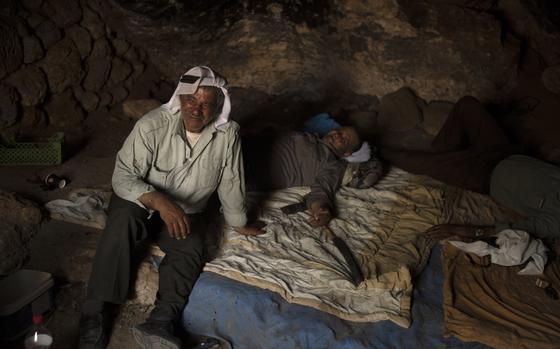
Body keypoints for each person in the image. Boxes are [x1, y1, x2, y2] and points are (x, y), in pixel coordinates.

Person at [78, 66, 262, 349]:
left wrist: (238, 221)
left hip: (187, 211)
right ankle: (95, 312)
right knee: (122, 221)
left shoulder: (228, 135)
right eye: (191, 100)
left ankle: (161, 321)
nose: (196, 109)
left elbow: (231, 181)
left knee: (193, 246)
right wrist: (159, 201)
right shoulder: (152, 125)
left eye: (206, 104)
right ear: (180, 97)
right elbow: (123, 176)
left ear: (217, 108)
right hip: (141, 203)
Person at [380, 96, 560, 251]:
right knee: (468, 105)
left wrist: (459, 229)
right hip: (504, 152)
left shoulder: (555, 222)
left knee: (421, 163)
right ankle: (444, 157)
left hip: (484, 175)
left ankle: (373, 150)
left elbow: (513, 229)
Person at [242, 126, 383, 227]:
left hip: (244, 171)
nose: (337, 135)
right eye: (339, 131)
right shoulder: (311, 136)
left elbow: (321, 191)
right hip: (241, 145)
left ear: (347, 154)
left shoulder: (332, 164)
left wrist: (320, 210)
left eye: (344, 140)